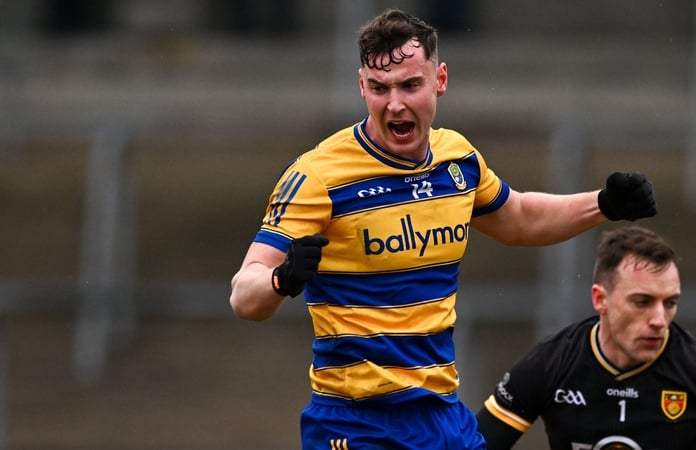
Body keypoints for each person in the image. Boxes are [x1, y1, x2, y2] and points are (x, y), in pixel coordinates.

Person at [229, 9, 656, 450]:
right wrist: (280, 280)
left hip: (442, 416)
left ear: (440, 80)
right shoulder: (318, 176)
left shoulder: (458, 160)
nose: (394, 103)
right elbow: (244, 295)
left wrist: (604, 204)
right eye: (379, 88)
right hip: (357, 423)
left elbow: (521, 219)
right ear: (362, 87)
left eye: (410, 85)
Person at [476, 226, 696, 450]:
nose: (659, 320)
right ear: (601, 300)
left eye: (670, 302)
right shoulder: (550, 364)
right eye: (642, 302)